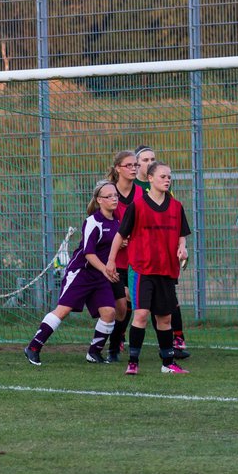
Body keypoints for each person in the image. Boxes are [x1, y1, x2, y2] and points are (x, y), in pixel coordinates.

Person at [105, 161, 191, 375]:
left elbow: (181, 235)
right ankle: (133, 362)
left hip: (167, 270)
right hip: (143, 269)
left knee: (165, 318)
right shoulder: (139, 206)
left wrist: (182, 248)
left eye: (169, 176)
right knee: (141, 314)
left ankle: (168, 363)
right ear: (150, 179)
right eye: (162, 176)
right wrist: (111, 260)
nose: (167, 179)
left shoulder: (176, 206)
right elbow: (120, 235)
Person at [24, 182, 121, 365]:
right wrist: (105, 269)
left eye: (115, 195)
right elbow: (89, 253)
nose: (114, 198)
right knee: (63, 310)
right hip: (81, 273)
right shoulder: (93, 221)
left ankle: (94, 353)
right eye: (109, 196)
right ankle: (33, 347)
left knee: (109, 313)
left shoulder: (117, 222)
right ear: (99, 200)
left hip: (100, 276)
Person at [132, 146, 190, 360]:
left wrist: (181, 245)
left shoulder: (167, 193)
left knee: (166, 304)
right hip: (138, 257)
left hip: (162, 260)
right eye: (145, 159)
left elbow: (175, 220)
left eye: (152, 158)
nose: (149, 161)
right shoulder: (134, 189)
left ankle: (172, 344)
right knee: (132, 306)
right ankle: (124, 349)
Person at [104, 150, 140, 361]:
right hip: (114, 260)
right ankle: (113, 347)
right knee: (121, 303)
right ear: (118, 168)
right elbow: (100, 223)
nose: (134, 168)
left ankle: (117, 339)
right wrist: (117, 239)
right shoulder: (109, 192)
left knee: (130, 305)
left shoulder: (142, 194)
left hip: (136, 259)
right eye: (129, 165)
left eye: (136, 165)